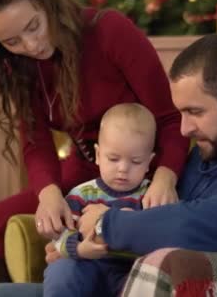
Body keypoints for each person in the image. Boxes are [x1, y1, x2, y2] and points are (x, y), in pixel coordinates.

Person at [0, 34, 217, 297]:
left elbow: (195, 223)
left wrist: (105, 225)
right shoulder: (201, 159)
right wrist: (71, 241)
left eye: (195, 112)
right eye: (180, 113)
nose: (183, 130)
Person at [0, 0, 189, 284]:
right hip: (84, 177)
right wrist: (48, 194)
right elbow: (35, 142)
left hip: (141, 173)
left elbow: (170, 118)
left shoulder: (109, 31)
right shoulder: (18, 65)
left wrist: (165, 179)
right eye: (12, 41)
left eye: (33, 26)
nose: (31, 44)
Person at [46, 103, 157, 296]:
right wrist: (79, 249)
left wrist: (132, 225)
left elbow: (165, 237)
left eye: (136, 161)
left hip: (131, 272)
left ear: (149, 161)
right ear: (98, 155)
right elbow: (59, 236)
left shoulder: (151, 196)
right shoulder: (82, 195)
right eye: (113, 159)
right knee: (60, 270)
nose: (123, 168)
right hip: (87, 267)